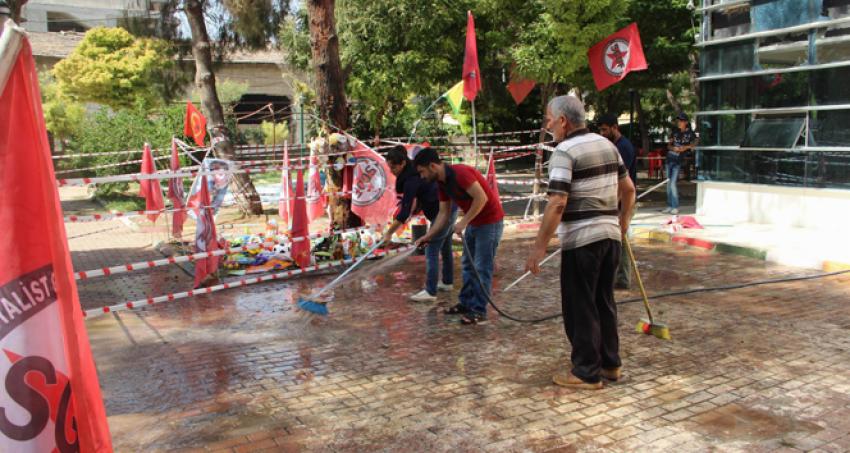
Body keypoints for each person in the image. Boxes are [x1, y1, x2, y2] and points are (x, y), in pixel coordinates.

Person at [526, 95, 636, 389]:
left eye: (550, 119)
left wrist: (539, 246)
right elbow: (629, 190)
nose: (548, 125)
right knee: (604, 301)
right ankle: (610, 364)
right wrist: (622, 224)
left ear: (563, 121)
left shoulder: (564, 151)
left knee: (580, 305)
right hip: (610, 238)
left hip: (583, 241)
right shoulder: (608, 146)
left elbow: (558, 202)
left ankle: (586, 372)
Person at [413, 148, 504, 325]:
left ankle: (479, 311)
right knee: (467, 265)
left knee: (481, 267)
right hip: (474, 223)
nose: (422, 176)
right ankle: (466, 303)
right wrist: (428, 236)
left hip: (490, 222)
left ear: (432, 166)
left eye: (422, 172)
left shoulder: (460, 173)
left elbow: (481, 198)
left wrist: (463, 222)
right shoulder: (442, 183)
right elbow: (443, 214)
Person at [382, 145, 457, 302]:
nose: (391, 170)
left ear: (402, 163)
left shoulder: (411, 179)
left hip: (443, 212)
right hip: (445, 209)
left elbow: (404, 212)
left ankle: (430, 292)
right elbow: (413, 206)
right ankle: (447, 282)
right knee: (445, 246)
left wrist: (389, 233)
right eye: (389, 167)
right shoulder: (411, 174)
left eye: (393, 167)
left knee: (431, 248)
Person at [598, 113, 637, 290]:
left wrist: (615, 206)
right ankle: (614, 276)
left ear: (615, 127)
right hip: (615, 200)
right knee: (615, 240)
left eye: (605, 129)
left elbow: (623, 181)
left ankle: (623, 278)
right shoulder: (613, 146)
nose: (603, 133)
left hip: (623, 201)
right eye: (601, 130)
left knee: (622, 237)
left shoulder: (624, 147)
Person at [664, 112, 697, 215]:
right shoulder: (674, 132)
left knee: (673, 183)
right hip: (669, 159)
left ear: (686, 122)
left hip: (678, 161)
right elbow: (668, 145)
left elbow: (695, 143)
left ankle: (675, 206)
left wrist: (684, 148)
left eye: (681, 121)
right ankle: (669, 205)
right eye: (679, 120)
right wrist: (673, 148)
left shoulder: (690, 133)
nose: (679, 122)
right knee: (668, 184)